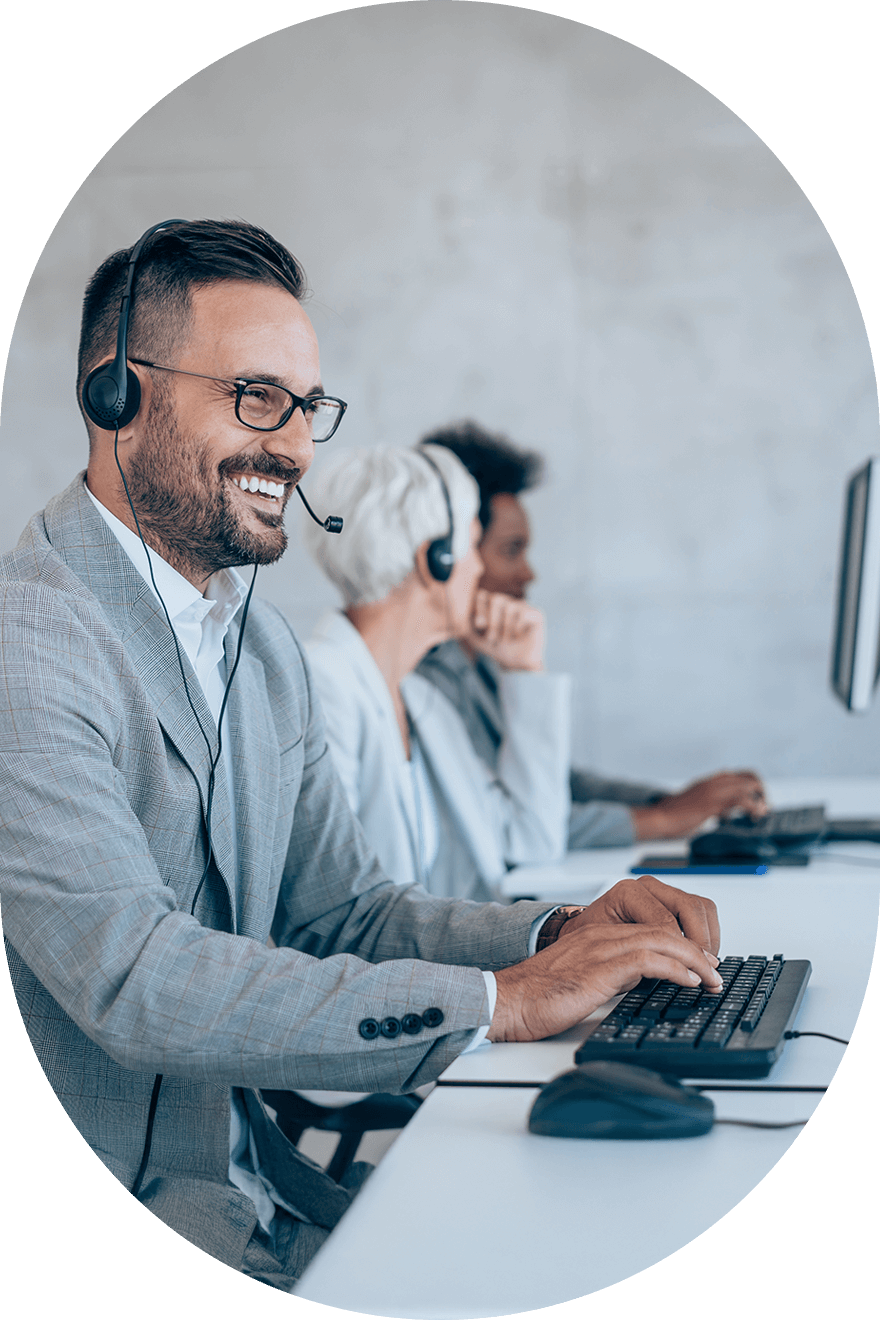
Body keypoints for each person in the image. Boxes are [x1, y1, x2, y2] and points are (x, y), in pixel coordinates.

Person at [0, 219, 723, 1289]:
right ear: (118, 395)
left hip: (267, 1201)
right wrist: (503, 1002)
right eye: (256, 398)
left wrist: (556, 932)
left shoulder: (258, 640)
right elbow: (135, 981)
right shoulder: (33, 645)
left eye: (306, 408)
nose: (292, 446)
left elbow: (346, 912)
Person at [416, 421, 767, 848]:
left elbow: (558, 783)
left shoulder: (475, 661)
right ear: (449, 553)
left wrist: (673, 802)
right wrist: (661, 819)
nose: (528, 573)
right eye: (512, 550)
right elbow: (514, 821)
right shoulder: (426, 681)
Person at [301, 443, 570, 902]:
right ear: (436, 559)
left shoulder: (422, 701)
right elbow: (330, 907)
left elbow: (532, 839)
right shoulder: (321, 685)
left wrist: (526, 673)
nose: (480, 568)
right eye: (473, 543)